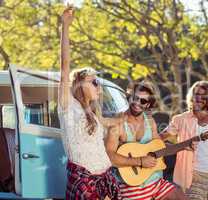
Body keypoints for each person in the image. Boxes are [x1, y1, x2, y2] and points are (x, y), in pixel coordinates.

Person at [58, 7, 121, 200]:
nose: (97, 86)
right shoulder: (67, 105)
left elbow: (112, 123)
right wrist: (65, 27)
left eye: (98, 82)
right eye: (94, 81)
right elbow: (65, 65)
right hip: (84, 182)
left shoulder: (93, 112)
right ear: (80, 83)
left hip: (105, 179)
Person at [106, 82, 188, 200]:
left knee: (180, 196)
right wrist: (139, 161)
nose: (137, 103)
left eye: (143, 101)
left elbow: (159, 147)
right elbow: (110, 156)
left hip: (154, 180)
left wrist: (183, 145)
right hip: (130, 185)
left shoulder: (150, 122)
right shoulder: (117, 123)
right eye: (135, 98)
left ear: (148, 104)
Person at [160, 81, 208, 200]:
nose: (199, 98)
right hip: (192, 178)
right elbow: (160, 138)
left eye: (204, 96)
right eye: (196, 94)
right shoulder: (181, 119)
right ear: (191, 96)